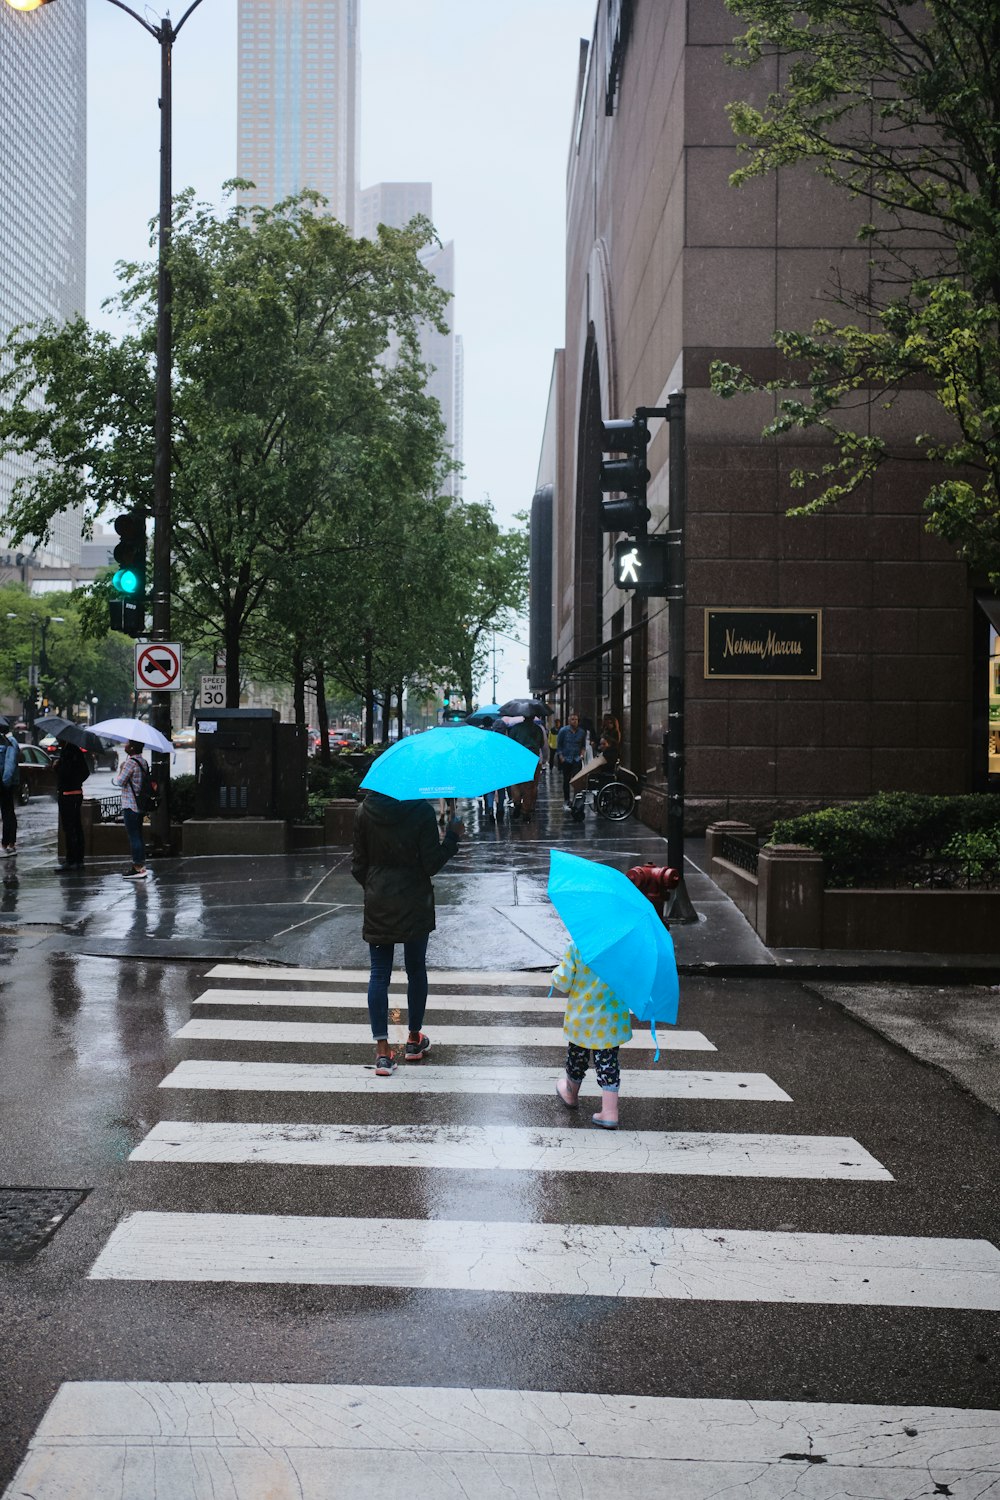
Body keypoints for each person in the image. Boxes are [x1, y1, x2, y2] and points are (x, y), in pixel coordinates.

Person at [352, 790, 464, 1075]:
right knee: (416, 970)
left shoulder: (365, 812)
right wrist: (452, 837)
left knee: (379, 974)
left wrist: (377, 885)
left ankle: (382, 1053)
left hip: (379, 902)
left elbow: (358, 865)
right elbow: (431, 864)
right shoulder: (421, 811)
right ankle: (414, 1039)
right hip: (415, 901)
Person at [552, 939, 632, 1129]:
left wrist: (555, 974)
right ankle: (610, 1112)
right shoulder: (622, 948)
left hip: (582, 1019)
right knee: (608, 1064)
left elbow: (562, 982)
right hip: (610, 1021)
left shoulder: (578, 945)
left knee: (576, 1058)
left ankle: (570, 1094)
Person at [113, 740, 150, 880]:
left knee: (134, 836)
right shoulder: (143, 762)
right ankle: (141, 866)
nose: (125, 746)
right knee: (138, 836)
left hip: (130, 804)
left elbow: (120, 782)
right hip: (139, 805)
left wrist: (121, 769)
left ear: (132, 747)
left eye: (127, 744)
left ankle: (137, 868)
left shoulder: (130, 763)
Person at [56, 738, 90, 871]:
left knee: (69, 828)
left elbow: (65, 773)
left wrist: (57, 766)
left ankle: (71, 860)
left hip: (67, 794)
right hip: (77, 793)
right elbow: (86, 772)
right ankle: (79, 860)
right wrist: (77, 782)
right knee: (77, 826)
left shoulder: (67, 752)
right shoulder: (77, 751)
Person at [507, 715, 546, 821]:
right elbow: (542, 744)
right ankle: (526, 811)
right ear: (533, 717)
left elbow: (509, 744)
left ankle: (517, 803)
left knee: (515, 783)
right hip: (533, 759)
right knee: (530, 786)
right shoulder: (538, 729)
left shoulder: (516, 728)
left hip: (518, 758)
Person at [556, 712, 587, 808]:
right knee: (566, 780)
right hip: (566, 759)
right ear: (569, 721)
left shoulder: (582, 732)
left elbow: (583, 746)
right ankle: (566, 799)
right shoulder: (563, 731)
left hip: (577, 759)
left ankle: (576, 799)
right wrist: (561, 757)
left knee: (577, 780)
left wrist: (581, 755)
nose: (574, 721)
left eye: (576, 719)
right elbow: (559, 745)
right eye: (572, 719)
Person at [0, 725, 19, 856]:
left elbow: (10, 763)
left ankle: (8, 843)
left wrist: (5, 782)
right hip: (4, 783)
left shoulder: (10, 741)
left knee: (7, 813)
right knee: (8, 813)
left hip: (5, 783)